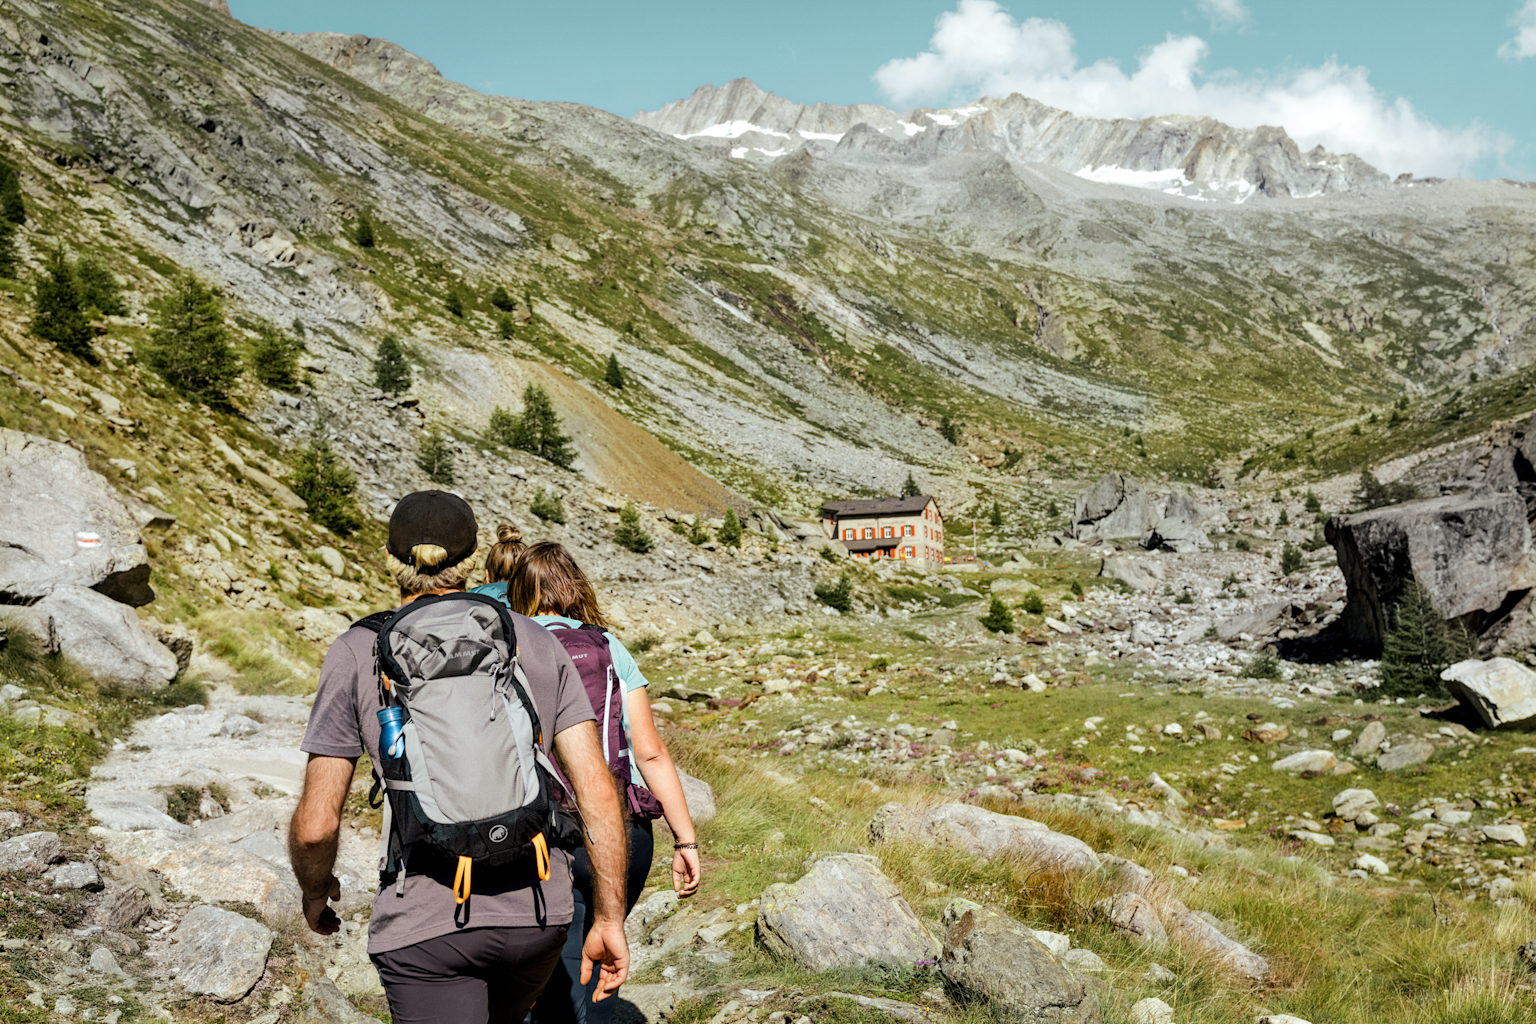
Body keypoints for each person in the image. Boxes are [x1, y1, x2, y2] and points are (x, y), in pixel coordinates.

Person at [288, 491, 630, 1024]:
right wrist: (609, 918)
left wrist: (315, 890)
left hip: (426, 930)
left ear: (390, 559)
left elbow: (315, 826)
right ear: (471, 561)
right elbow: (597, 794)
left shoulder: (356, 651)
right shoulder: (533, 638)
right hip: (539, 915)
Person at [505, 540, 701, 1024]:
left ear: (518, 592)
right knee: (602, 956)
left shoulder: (509, 645)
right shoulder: (609, 647)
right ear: (575, 588)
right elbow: (650, 752)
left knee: (556, 968)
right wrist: (685, 839)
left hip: (542, 833)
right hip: (622, 831)